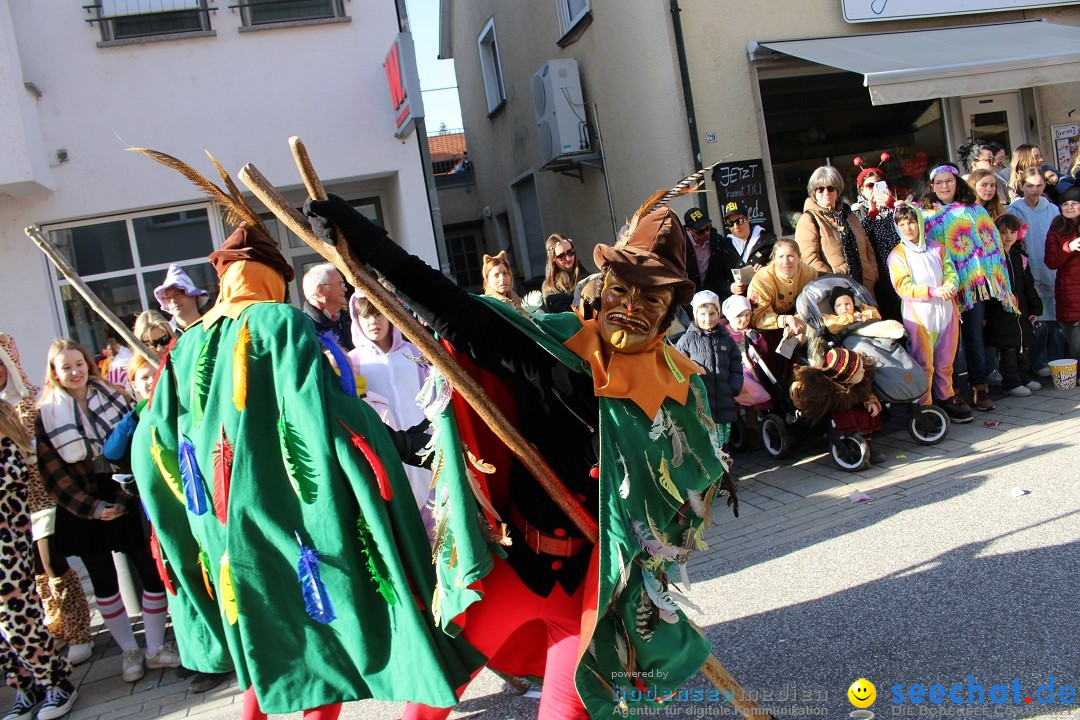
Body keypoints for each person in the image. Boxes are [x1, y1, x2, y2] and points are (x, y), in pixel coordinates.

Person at [305, 193, 737, 720]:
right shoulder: (553, 350)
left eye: (652, 300)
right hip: (516, 570)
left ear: (672, 311)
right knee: (429, 702)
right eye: (621, 291)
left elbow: (684, 491)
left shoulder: (677, 391)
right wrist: (361, 239)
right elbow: (453, 310)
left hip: (590, 594)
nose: (630, 309)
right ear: (601, 292)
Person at [131, 220, 478, 720]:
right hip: (287, 517)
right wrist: (386, 442)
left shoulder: (184, 345)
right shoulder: (280, 323)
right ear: (273, 278)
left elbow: (152, 446)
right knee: (321, 629)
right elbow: (318, 414)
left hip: (220, 529)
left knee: (264, 636)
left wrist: (184, 526)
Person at [35, 339, 181, 684]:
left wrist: (124, 495)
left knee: (150, 571)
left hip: (123, 493)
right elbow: (52, 475)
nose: (75, 371)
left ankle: (156, 648)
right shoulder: (45, 412)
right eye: (66, 366)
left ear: (88, 363)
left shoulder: (115, 395)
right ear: (54, 373)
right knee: (103, 582)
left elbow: (135, 446)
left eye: (79, 363)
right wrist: (94, 508)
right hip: (82, 505)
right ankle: (129, 650)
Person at [0, 334, 94, 671]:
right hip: (10, 505)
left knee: (52, 562)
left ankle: (79, 628)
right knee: (32, 570)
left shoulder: (29, 403)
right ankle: (56, 625)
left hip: (43, 496)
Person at [0, 402, 79, 720]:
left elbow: (12, 475)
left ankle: (57, 683)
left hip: (7, 554)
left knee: (18, 619)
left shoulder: (6, 435)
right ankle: (26, 686)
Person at [920, 164, 1017, 412]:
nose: (944, 186)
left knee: (974, 338)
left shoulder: (973, 210)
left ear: (957, 182)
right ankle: (951, 392)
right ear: (932, 186)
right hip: (943, 289)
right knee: (947, 343)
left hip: (974, 287)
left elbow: (989, 242)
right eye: (939, 182)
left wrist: (995, 279)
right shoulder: (924, 215)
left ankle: (979, 388)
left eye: (948, 181)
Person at [347, 293, 433, 528]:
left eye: (377, 314)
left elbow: (435, 400)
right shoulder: (352, 362)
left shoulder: (416, 353)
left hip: (426, 451)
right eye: (365, 316)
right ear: (356, 320)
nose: (373, 322)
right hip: (385, 453)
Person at [887, 204, 971, 422]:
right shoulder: (897, 255)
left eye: (912, 222)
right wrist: (932, 291)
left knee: (945, 360)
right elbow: (902, 286)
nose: (908, 228)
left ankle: (947, 397)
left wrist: (951, 285)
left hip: (946, 312)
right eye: (902, 224)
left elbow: (951, 272)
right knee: (924, 363)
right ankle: (924, 406)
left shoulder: (938, 248)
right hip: (919, 316)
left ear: (920, 223)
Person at [1007, 167, 1062, 378]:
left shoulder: (1052, 209)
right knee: (1037, 319)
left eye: (1039, 185)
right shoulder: (1015, 210)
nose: (1035, 189)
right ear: (1021, 186)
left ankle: (1058, 362)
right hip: (1029, 268)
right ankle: (1038, 362)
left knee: (1055, 319)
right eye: (1030, 185)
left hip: (1051, 266)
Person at [789, 347, 885, 465]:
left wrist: (872, 402)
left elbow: (867, 393)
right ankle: (845, 443)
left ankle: (868, 444)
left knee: (866, 413)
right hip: (839, 411)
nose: (864, 371)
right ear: (847, 377)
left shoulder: (860, 382)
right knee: (844, 416)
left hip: (855, 406)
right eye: (860, 371)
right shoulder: (828, 390)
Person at [794, 166, 878, 295]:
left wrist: (872, 273)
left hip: (865, 290)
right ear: (813, 192)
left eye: (830, 188)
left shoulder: (849, 215)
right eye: (820, 189)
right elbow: (808, 260)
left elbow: (867, 246)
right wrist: (834, 282)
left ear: (837, 190)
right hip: (837, 296)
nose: (826, 192)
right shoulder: (809, 220)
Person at [984, 214, 1043, 397]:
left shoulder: (1020, 257)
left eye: (1012, 232)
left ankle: (1024, 377)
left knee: (1024, 345)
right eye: (1003, 232)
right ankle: (1011, 382)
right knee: (1008, 348)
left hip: (1022, 309)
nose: (1008, 236)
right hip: (1000, 311)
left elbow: (1028, 285)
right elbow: (986, 289)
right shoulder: (991, 257)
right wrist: (986, 315)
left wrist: (1035, 308)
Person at [676, 290, 743, 437]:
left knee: (723, 444)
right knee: (704, 445)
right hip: (699, 405)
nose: (708, 318)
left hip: (724, 401)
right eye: (702, 314)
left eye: (712, 314)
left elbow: (736, 366)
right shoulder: (686, 341)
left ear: (718, 314)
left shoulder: (727, 340)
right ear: (695, 315)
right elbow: (678, 370)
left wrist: (733, 388)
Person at [851, 164, 902, 320]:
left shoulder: (894, 206)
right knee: (888, 312)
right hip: (878, 269)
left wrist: (893, 205)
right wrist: (871, 214)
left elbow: (910, 227)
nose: (873, 189)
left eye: (878, 184)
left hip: (900, 265)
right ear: (861, 190)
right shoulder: (857, 212)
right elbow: (858, 237)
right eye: (869, 186)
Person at [720, 295, 771, 445]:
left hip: (748, 368)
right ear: (730, 316)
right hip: (729, 370)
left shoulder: (748, 332)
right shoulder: (723, 333)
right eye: (739, 316)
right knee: (735, 399)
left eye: (747, 315)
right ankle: (734, 430)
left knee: (752, 401)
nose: (744, 320)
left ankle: (752, 429)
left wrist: (756, 339)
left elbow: (762, 350)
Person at [748, 238, 820, 337]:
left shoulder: (809, 274)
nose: (786, 262)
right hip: (770, 326)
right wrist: (785, 320)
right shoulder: (761, 280)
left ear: (799, 257)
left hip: (801, 318)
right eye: (781, 257)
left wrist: (799, 319)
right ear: (774, 259)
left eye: (790, 256)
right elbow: (758, 317)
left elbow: (814, 303)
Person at [1044, 186, 1080, 360]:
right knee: (1076, 342)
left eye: (1074, 203)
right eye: (1065, 204)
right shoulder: (1056, 228)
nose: (1070, 207)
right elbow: (1051, 261)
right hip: (1070, 294)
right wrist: (1069, 248)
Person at [719, 201, 774, 299]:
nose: (736, 227)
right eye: (730, 224)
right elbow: (715, 280)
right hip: (739, 303)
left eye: (739, 221)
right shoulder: (723, 247)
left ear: (748, 217)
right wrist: (730, 287)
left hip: (765, 296)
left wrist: (766, 271)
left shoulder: (767, 240)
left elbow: (781, 268)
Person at [301, 263, 353, 351]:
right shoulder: (304, 328)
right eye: (340, 284)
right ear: (320, 290)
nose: (345, 289)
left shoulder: (350, 319)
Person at [683, 206, 730, 299]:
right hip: (688, 297)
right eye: (700, 231)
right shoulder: (680, 244)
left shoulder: (717, 240)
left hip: (713, 296)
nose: (706, 233)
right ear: (689, 230)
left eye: (708, 227)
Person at [154, 264, 208, 334]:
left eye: (177, 294)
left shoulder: (214, 325)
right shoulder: (164, 335)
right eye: (168, 297)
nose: (173, 300)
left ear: (194, 295)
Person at [541, 234, 585, 313]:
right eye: (561, 256)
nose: (568, 258)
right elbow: (565, 315)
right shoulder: (550, 286)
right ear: (552, 258)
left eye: (570, 252)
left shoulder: (585, 274)